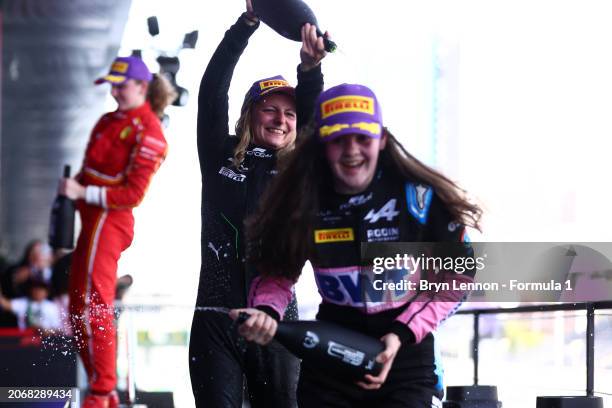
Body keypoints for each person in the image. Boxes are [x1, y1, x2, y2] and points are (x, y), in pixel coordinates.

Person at [232, 83, 483, 407]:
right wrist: (266, 312)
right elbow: (277, 274)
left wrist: (402, 333)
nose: (351, 150)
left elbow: (459, 277)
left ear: (381, 140)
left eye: (362, 138)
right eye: (339, 139)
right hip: (330, 356)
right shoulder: (301, 201)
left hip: (405, 357)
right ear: (322, 145)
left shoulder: (420, 198)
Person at [189, 1, 327, 406]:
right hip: (215, 320)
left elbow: (316, 123)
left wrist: (310, 69)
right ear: (251, 114)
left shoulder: (299, 171)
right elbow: (212, 92)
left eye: (290, 113)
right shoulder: (220, 154)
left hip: (276, 320)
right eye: (271, 109)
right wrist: (246, 25)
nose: (281, 119)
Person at [58, 56, 177, 408]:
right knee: (77, 306)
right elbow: (90, 170)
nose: (114, 91)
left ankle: (101, 391)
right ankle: (102, 388)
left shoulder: (150, 131)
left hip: (111, 222)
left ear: (142, 87)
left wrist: (82, 192)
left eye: (120, 85)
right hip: (90, 220)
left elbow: (133, 195)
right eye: (111, 84)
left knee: (95, 305)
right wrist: (73, 190)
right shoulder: (110, 119)